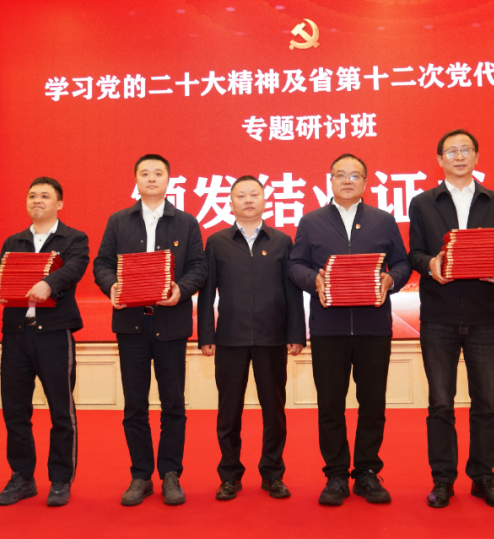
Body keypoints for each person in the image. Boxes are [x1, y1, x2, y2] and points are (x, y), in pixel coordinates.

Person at [288, 154, 412, 506]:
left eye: (354, 175)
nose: (347, 180)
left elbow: (402, 263)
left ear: (365, 182)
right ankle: (336, 474)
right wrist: (313, 280)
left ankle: (368, 472)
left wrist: (392, 279)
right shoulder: (311, 221)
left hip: (373, 326)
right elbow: (295, 265)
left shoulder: (383, 220)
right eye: (340, 175)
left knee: (372, 402)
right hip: (329, 327)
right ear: (330, 180)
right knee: (330, 404)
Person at [93, 154, 208, 506]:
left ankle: (171, 473)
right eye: (145, 173)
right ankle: (141, 475)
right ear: (136, 180)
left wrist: (181, 290)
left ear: (168, 180)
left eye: (158, 173)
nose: (152, 178)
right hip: (131, 324)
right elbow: (102, 263)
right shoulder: (118, 221)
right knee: (134, 404)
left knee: (173, 403)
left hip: (170, 324)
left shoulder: (186, 222)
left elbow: (199, 267)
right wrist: (112, 286)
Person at [407, 130, 494, 510]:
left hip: (485, 316)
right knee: (440, 403)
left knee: (486, 402)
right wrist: (430, 264)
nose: (459, 156)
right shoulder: (423, 202)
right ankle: (442, 480)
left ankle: (483, 478)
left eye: (465, 150)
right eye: (451, 151)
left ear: (476, 156)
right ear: (439, 160)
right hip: (439, 316)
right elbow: (414, 252)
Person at [197, 176, 306, 501]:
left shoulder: (282, 241)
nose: (248, 200)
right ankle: (229, 475)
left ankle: (273, 474)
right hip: (230, 338)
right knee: (228, 412)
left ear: (264, 200)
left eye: (254, 195)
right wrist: (206, 334)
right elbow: (207, 293)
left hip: (272, 338)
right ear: (230, 203)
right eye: (241, 196)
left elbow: (292, 292)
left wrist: (296, 333)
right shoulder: (217, 242)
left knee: (274, 410)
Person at [0, 177, 89, 507]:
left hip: (54, 334)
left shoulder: (73, 238)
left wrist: (49, 283)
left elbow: (75, 267)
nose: (37, 200)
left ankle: (60, 479)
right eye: (32, 195)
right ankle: (22, 477)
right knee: (15, 410)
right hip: (16, 334)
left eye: (45, 196)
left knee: (61, 411)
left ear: (59, 204)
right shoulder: (14, 241)